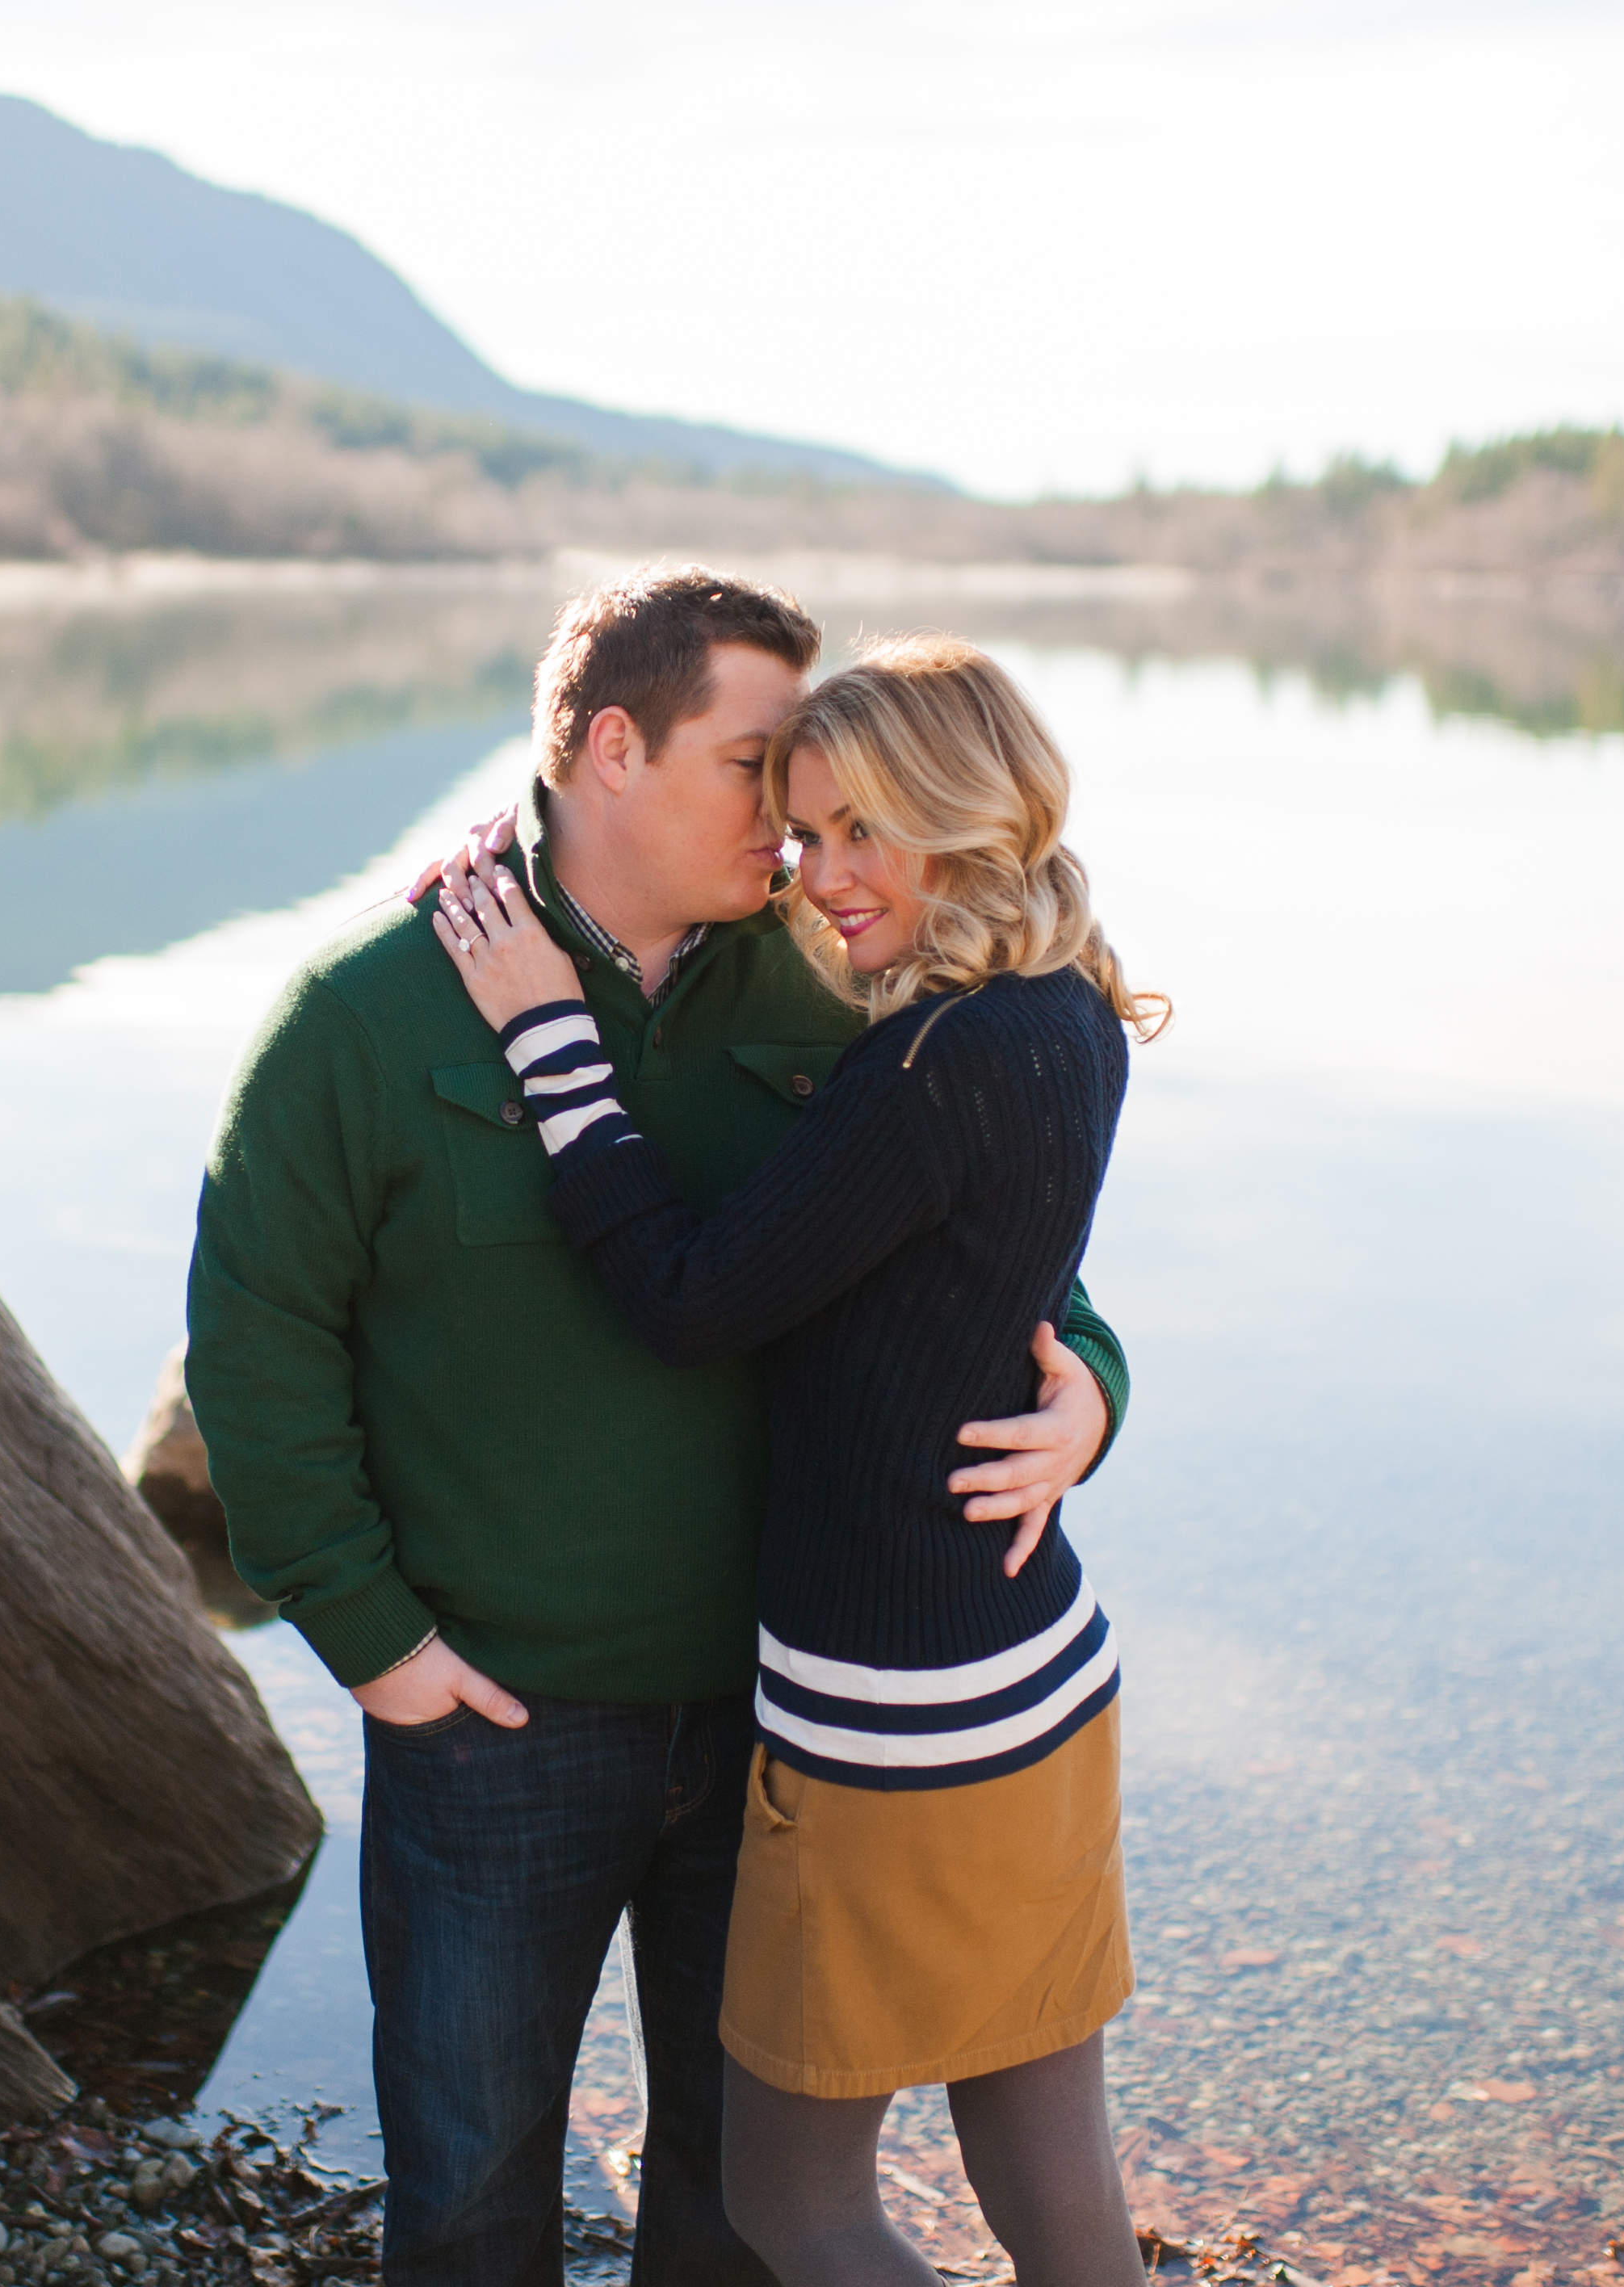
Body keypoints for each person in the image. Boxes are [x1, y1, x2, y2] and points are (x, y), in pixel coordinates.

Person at [186, 569, 1134, 2287]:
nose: (793, 845)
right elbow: (255, 1350)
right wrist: (369, 1635)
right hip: (499, 1722)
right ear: (612, 749)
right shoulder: (365, 1019)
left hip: (782, 1720)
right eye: (756, 775)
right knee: (472, 2192)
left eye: (817, 805)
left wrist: (1091, 1396)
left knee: (731, 2199)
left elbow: (995, 1242)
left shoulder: (822, 990)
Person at [426, 633, 1163, 2287]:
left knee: (791, 2201)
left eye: (857, 834)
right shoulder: (1067, 1016)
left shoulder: (917, 1071)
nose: (814, 878)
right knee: (1060, 2201)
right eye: (803, 830)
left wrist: (553, 1031)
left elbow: (689, 1301)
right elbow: (991, 1290)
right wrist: (1097, 1392)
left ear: (966, 818)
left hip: (894, 1723)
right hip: (1037, 1681)